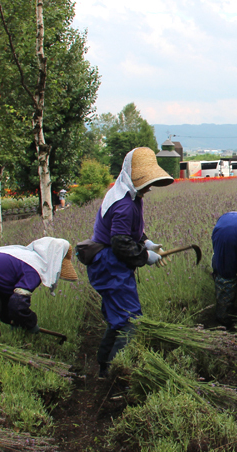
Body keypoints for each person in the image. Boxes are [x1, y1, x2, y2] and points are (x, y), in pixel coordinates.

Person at [85, 147, 174, 378]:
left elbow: (128, 234)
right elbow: (121, 244)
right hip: (110, 265)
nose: (148, 187)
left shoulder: (127, 194)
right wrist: (146, 256)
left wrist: (146, 242)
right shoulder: (124, 204)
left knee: (117, 319)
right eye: (144, 181)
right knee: (130, 320)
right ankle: (118, 372)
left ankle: (104, 366)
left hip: (109, 263)